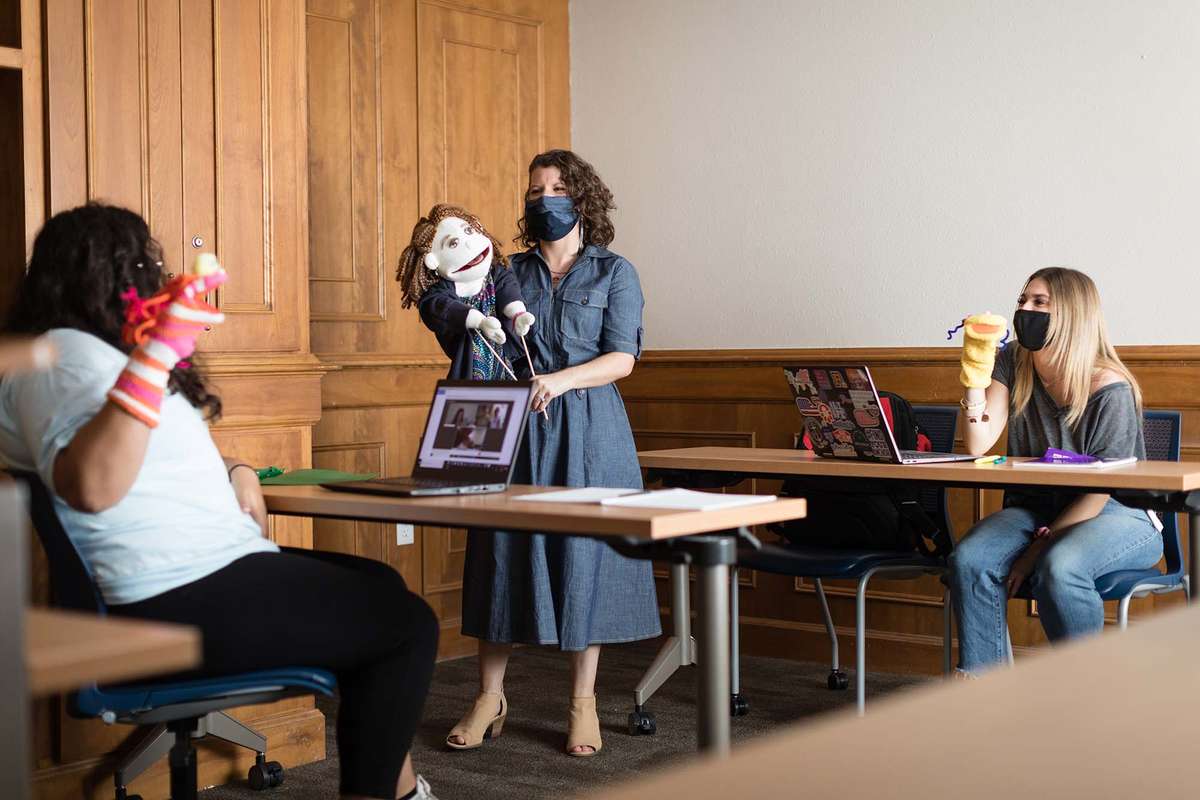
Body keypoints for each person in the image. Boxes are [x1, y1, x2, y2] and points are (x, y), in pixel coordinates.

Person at [0, 204, 439, 800]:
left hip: (207, 571)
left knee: (381, 587)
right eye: (145, 262)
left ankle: (402, 792)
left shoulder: (97, 357)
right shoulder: (62, 357)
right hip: (169, 598)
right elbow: (93, 485)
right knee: (407, 625)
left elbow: (159, 456)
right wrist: (158, 353)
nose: (156, 275)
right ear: (108, 274)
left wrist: (238, 471)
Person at [449, 150, 660, 756]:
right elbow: (477, 346)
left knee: (584, 560)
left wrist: (562, 381)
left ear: (583, 198)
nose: (545, 198)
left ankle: (582, 703)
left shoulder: (616, 273)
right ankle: (490, 697)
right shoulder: (504, 271)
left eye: (558, 188)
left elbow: (623, 358)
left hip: (590, 429)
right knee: (500, 551)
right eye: (536, 190)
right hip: (515, 426)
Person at [949, 267, 1162, 675]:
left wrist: (1034, 551)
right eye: (1022, 301)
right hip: (1036, 508)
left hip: (1118, 512)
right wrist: (975, 369)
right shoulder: (1013, 361)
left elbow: (1102, 490)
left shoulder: (1109, 386)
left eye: (1039, 302)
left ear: (1073, 314)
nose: (1025, 309)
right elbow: (978, 443)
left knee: (1060, 567)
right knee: (970, 559)